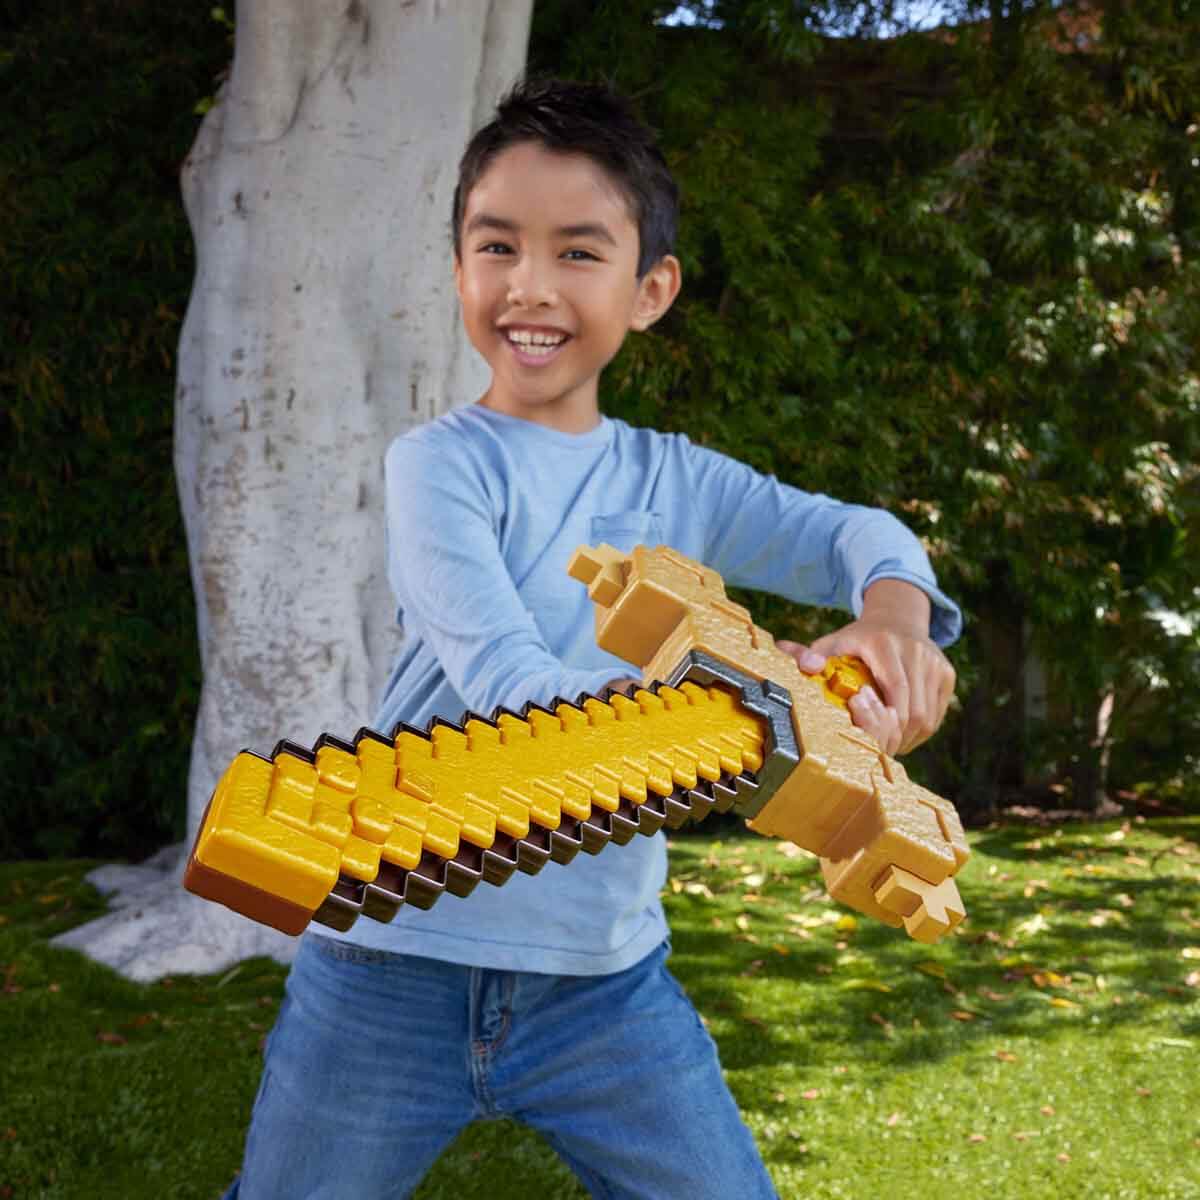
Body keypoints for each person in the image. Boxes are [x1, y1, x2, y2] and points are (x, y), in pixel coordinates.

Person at [223, 77, 961, 1200]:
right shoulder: (438, 466)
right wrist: (757, 716)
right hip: (388, 964)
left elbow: (858, 535)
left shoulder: (679, 481)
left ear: (649, 289)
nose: (530, 285)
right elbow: (514, 687)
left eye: (577, 252)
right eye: (497, 246)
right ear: (459, 270)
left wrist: (895, 622)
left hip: (603, 989)